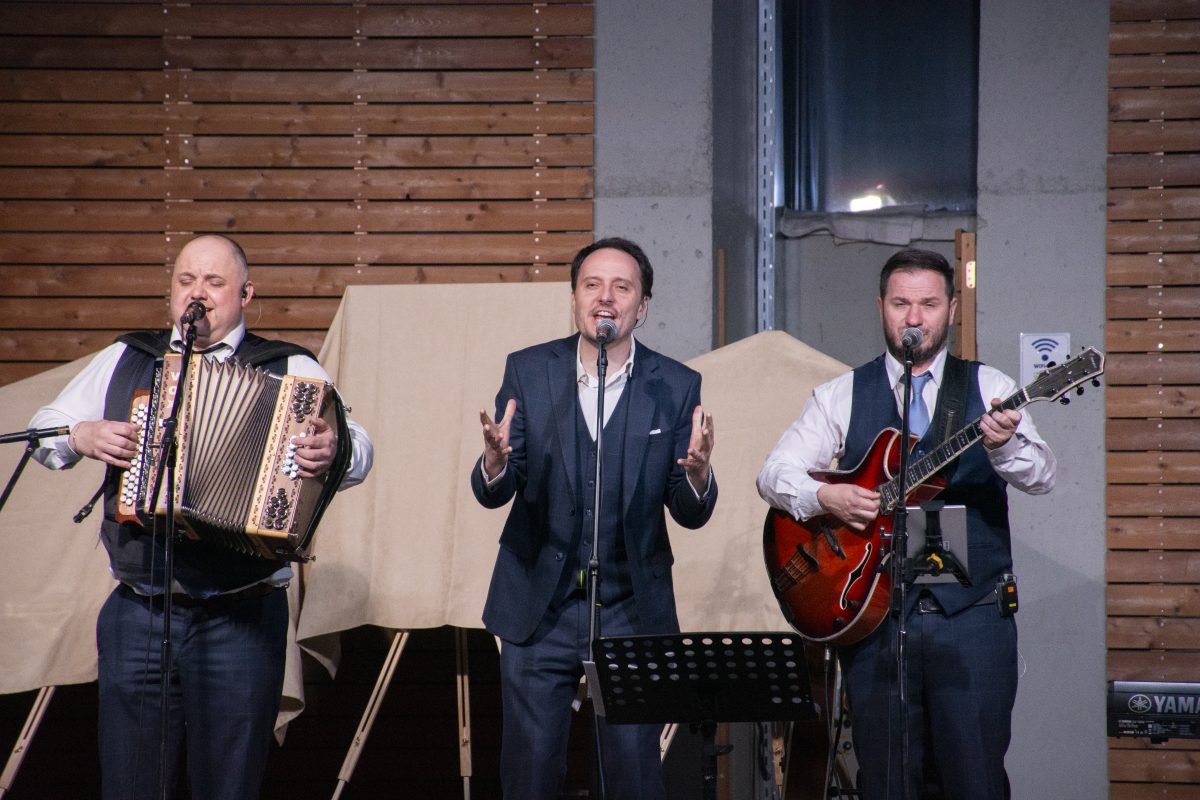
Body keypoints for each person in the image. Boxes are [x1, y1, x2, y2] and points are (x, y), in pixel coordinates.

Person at [29, 234, 374, 800]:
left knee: (229, 786)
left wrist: (332, 449)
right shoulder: (129, 358)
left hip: (242, 615)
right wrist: (81, 433)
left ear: (245, 294)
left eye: (215, 282)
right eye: (186, 280)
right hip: (139, 610)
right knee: (131, 784)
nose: (198, 294)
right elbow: (46, 430)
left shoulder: (285, 365)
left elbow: (359, 450)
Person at [756, 248, 1056, 800]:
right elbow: (773, 474)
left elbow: (1041, 476)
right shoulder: (841, 394)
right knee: (886, 782)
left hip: (973, 619)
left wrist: (1004, 444)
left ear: (952, 310)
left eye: (928, 304)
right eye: (900, 304)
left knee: (976, 781)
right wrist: (826, 495)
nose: (914, 317)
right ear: (881, 308)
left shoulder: (989, 386)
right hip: (874, 617)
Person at [471, 236, 717, 799]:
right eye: (592, 285)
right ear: (574, 299)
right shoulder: (529, 370)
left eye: (621, 287)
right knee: (530, 776)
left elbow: (688, 510)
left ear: (642, 307)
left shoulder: (676, 385)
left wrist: (699, 475)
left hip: (632, 607)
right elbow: (495, 490)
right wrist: (495, 463)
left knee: (632, 778)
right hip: (539, 605)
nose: (605, 297)